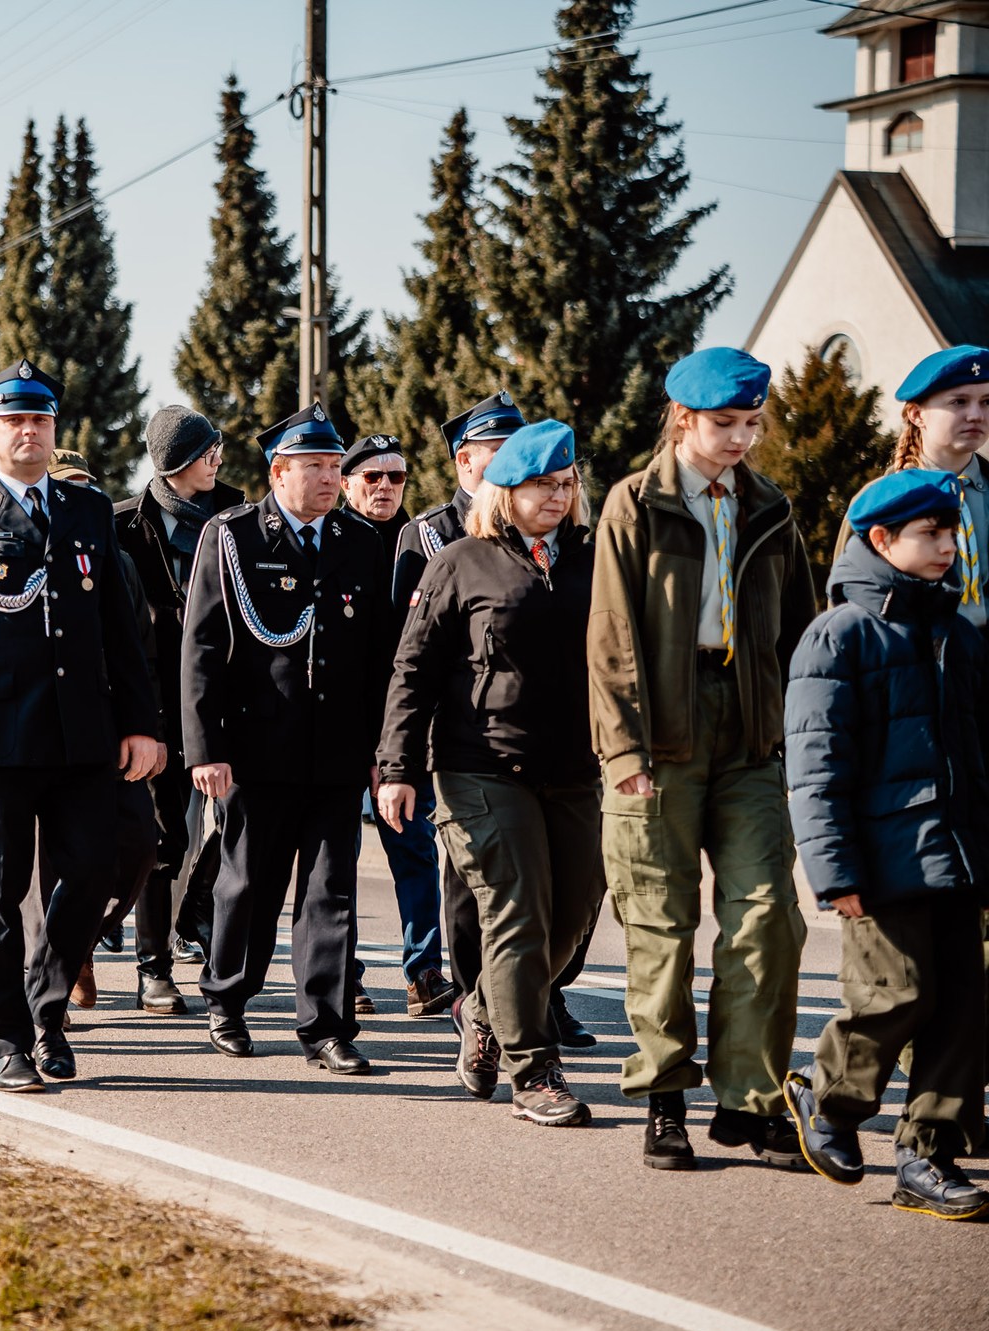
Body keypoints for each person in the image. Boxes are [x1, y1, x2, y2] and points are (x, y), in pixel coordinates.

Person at [0, 359, 165, 1092]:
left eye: (41, 420)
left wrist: (141, 723)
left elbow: (123, 626)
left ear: (54, 431)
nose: (29, 431)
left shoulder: (87, 511)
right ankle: (8, 1036)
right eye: (15, 420)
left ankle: (48, 1009)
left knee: (89, 873)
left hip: (83, 732)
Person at [589, 346, 817, 1172]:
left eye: (753, 424)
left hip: (751, 737)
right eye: (725, 424)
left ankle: (749, 1102)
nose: (742, 440)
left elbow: (801, 633)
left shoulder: (772, 507)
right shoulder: (633, 506)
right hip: (661, 734)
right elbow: (611, 641)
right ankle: (663, 1097)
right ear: (684, 419)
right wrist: (624, 752)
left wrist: (802, 738)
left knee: (767, 918)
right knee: (661, 922)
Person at [377, 420, 603, 1126]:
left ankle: (480, 1008)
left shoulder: (597, 561)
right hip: (481, 767)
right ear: (505, 491)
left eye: (566, 484)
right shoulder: (461, 563)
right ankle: (533, 1071)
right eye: (541, 484)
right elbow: (412, 670)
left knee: (573, 913)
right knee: (518, 909)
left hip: (574, 767)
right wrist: (397, 766)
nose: (557, 496)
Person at [781, 469, 989, 1219]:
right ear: (881, 540)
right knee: (898, 993)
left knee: (967, 1004)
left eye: (949, 533)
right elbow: (814, 764)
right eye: (929, 535)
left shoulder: (958, 634)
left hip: (959, 853)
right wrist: (833, 870)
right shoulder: (838, 636)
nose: (946, 547)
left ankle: (925, 1156)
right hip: (881, 860)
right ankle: (829, 1100)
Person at [181, 403, 394, 1074]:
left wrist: (384, 754)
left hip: (336, 750)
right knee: (249, 885)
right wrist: (204, 748)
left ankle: (326, 1026)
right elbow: (203, 648)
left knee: (330, 891)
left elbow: (379, 659)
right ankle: (228, 1000)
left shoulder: (360, 541)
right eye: (317, 467)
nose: (331, 479)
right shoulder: (235, 536)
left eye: (335, 467)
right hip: (256, 747)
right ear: (279, 472)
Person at [113, 405, 246, 1013]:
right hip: (158, 706)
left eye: (216, 445)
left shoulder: (243, 518)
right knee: (164, 840)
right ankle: (153, 967)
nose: (218, 456)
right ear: (174, 463)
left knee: (239, 833)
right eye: (206, 448)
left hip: (236, 703)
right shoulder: (123, 528)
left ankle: (208, 937)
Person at [42, 448, 162, 1012]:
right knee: (46, 858)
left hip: (107, 731)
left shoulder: (117, 561)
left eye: (86, 488)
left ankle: (86, 932)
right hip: (36, 733)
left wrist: (144, 726)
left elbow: (139, 649)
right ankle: (58, 969)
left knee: (139, 841)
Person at [341, 432, 453, 1020]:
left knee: (413, 848)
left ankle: (423, 971)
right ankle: (345, 972)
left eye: (396, 478)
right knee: (339, 854)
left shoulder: (423, 544)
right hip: (345, 722)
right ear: (347, 482)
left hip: (406, 727)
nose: (385, 488)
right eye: (372, 477)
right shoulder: (332, 539)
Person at [831, 345, 989, 635]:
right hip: (917, 662)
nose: (976, 415)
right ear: (917, 414)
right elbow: (846, 603)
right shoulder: (881, 502)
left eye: (986, 402)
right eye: (959, 402)